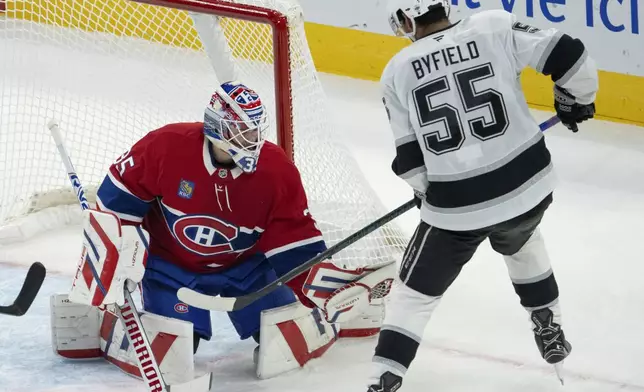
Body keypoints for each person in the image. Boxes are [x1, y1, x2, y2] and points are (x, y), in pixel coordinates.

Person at [49, 81, 394, 385]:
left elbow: (294, 242)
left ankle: (338, 317)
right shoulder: (166, 147)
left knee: (282, 341)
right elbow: (115, 203)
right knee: (175, 350)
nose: (253, 141)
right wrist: (116, 255)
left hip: (248, 269)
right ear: (217, 128)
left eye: (256, 131)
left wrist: (319, 289)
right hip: (172, 269)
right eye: (243, 132)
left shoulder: (276, 170)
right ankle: (107, 327)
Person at [367, 1, 598, 390]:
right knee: (521, 235)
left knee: (414, 294)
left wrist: (428, 194)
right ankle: (548, 321)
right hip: (528, 185)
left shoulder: (397, 71)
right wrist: (576, 100)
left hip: (457, 208)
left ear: (406, 19)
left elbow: (409, 164)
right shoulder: (493, 25)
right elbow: (572, 57)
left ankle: (383, 377)